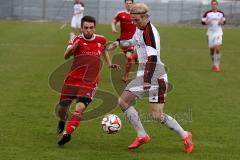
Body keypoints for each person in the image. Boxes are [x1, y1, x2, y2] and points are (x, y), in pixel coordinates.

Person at [108, 3, 194, 154]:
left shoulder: (149, 33)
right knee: (124, 102)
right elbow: (133, 41)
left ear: (146, 17)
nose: (134, 23)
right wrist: (119, 42)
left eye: (136, 20)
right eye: (132, 20)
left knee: (156, 115)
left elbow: (152, 58)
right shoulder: (139, 28)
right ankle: (142, 135)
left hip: (156, 75)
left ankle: (185, 135)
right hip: (146, 75)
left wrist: (147, 80)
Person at [56, 15, 119, 146]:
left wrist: (109, 63)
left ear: (94, 28)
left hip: (90, 82)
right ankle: (62, 120)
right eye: (86, 28)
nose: (89, 30)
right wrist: (72, 49)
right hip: (72, 80)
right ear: (82, 28)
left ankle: (67, 134)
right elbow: (65, 56)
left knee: (80, 108)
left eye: (91, 28)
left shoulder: (101, 39)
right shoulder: (76, 40)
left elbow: (104, 51)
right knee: (62, 109)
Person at [111, 0, 138, 82]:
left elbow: (141, 24)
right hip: (123, 41)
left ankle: (126, 75)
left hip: (133, 40)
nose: (128, 5)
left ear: (133, 4)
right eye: (127, 3)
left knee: (129, 57)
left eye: (130, 3)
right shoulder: (120, 14)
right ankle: (136, 57)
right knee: (128, 56)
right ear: (125, 4)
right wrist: (113, 28)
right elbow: (113, 22)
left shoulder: (136, 14)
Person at [202, 0, 226, 72]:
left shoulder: (221, 13)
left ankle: (217, 65)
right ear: (211, 5)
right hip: (210, 33)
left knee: (218, 49)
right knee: (212, 51)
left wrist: (221, 22)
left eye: (215, 4)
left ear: (217, 5)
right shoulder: (207, 13)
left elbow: (224, 21)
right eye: (212, 4)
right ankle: (214, 64)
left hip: (218, 33)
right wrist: (207, 22)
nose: (214, 5)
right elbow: (203, 22)